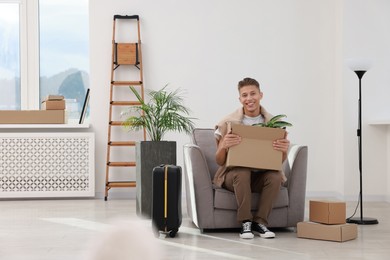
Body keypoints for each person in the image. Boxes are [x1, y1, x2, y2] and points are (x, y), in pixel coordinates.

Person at [214, 77, 290, 239]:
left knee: (275, 176)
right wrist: (224, 145)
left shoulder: (273, 124)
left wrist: (284, 150)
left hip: (260, 176)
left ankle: (260, 222)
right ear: (240, 99)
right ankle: (245, 222)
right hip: (233, 176)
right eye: (245, 95)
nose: (249, 99)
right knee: (242, 171)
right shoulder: (227, 123)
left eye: (253, 94)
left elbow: (278, 161)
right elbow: (219, 161)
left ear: (261, 95)